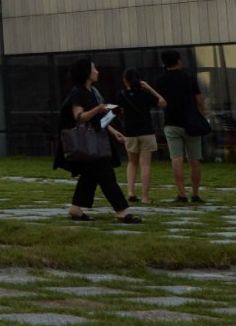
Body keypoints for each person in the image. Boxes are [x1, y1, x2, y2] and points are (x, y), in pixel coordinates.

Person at [54, 57, 141, 224]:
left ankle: (76, 209)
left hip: (94, 141)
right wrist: (99, 108)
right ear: (86, 72)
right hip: (88, 143)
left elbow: (97, 121)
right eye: (94, 69)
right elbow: (80, 117)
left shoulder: (90, 92)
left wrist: (114, 131)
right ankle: (121, 211)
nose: (97, 71)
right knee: (106, 175)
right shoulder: (78, 92)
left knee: (89, 175)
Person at [153, 49, 209, 203]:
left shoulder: (159, 80)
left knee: (176, 159)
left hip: (171, 122)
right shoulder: (189, 78)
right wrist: (201, 116)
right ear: (178, 61)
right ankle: (195, 194)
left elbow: (159, 102)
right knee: (194, 160)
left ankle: (181, 194)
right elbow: (199, 100)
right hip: (190, 123)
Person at [117, 67, 166, 204]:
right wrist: (149, 88)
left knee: (132, 163)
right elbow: (163, 102)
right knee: (145, 165)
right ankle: (145, 197)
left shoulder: (121, 94)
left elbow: (118, 112)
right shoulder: (145, 93)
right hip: (146, 132)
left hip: (130, 132)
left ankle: (131, 192)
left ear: (125, 80)